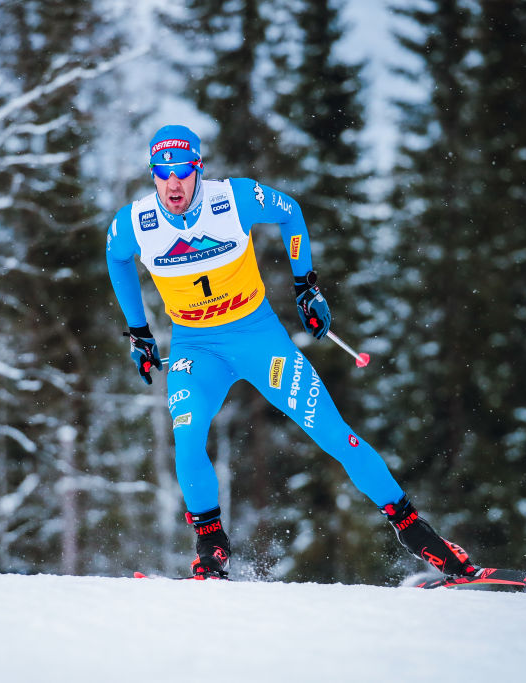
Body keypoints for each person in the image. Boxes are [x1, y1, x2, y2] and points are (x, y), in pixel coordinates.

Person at [105, 124, 478, 580]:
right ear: (153, 174)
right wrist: (139, 333)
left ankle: (419, 534)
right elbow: (117, 258)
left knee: (333, 433)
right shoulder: (135, 222)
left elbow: (291, 213)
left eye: (183, 170)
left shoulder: (233, 198)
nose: (173, 182)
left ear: (198, 168)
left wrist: (306, 285)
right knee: (187, 441)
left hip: (258, 338)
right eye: (163, 172)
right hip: (195, 347)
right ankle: (212, 550)